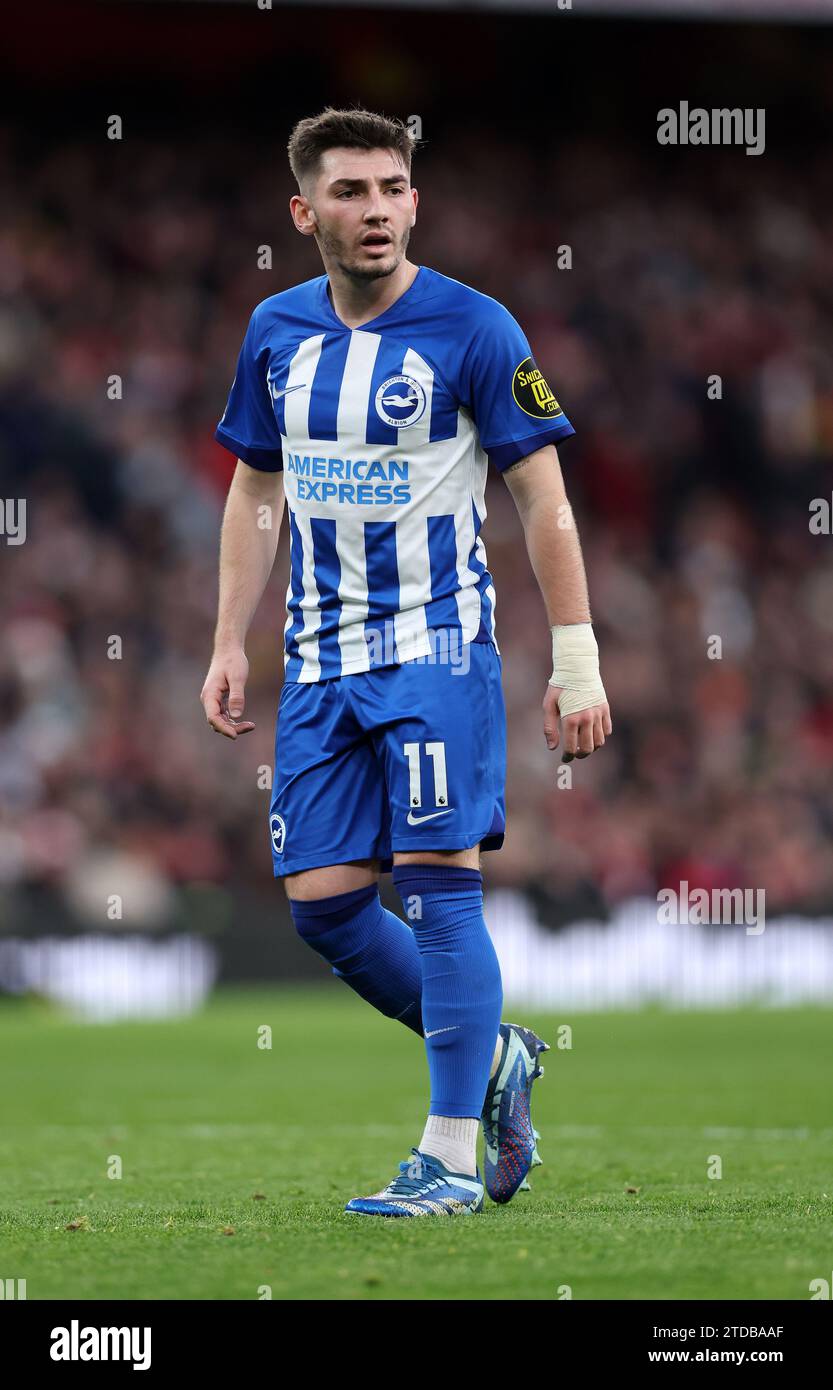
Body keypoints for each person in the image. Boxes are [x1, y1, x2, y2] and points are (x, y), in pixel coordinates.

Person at [202, 107, 612, 1218]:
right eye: (348, 192)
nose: (373, 209)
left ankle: (444, 1159)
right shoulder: (275, 329)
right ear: (305, 212)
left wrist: (574, 658)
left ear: (413, 202)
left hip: (435, 647)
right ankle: (492, 1060)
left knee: (437, 892)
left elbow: (541, 496)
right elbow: (254, 486)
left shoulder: (476, 327)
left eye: (391, 188)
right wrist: (230, 637)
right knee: (323, 908)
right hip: (318, 661)